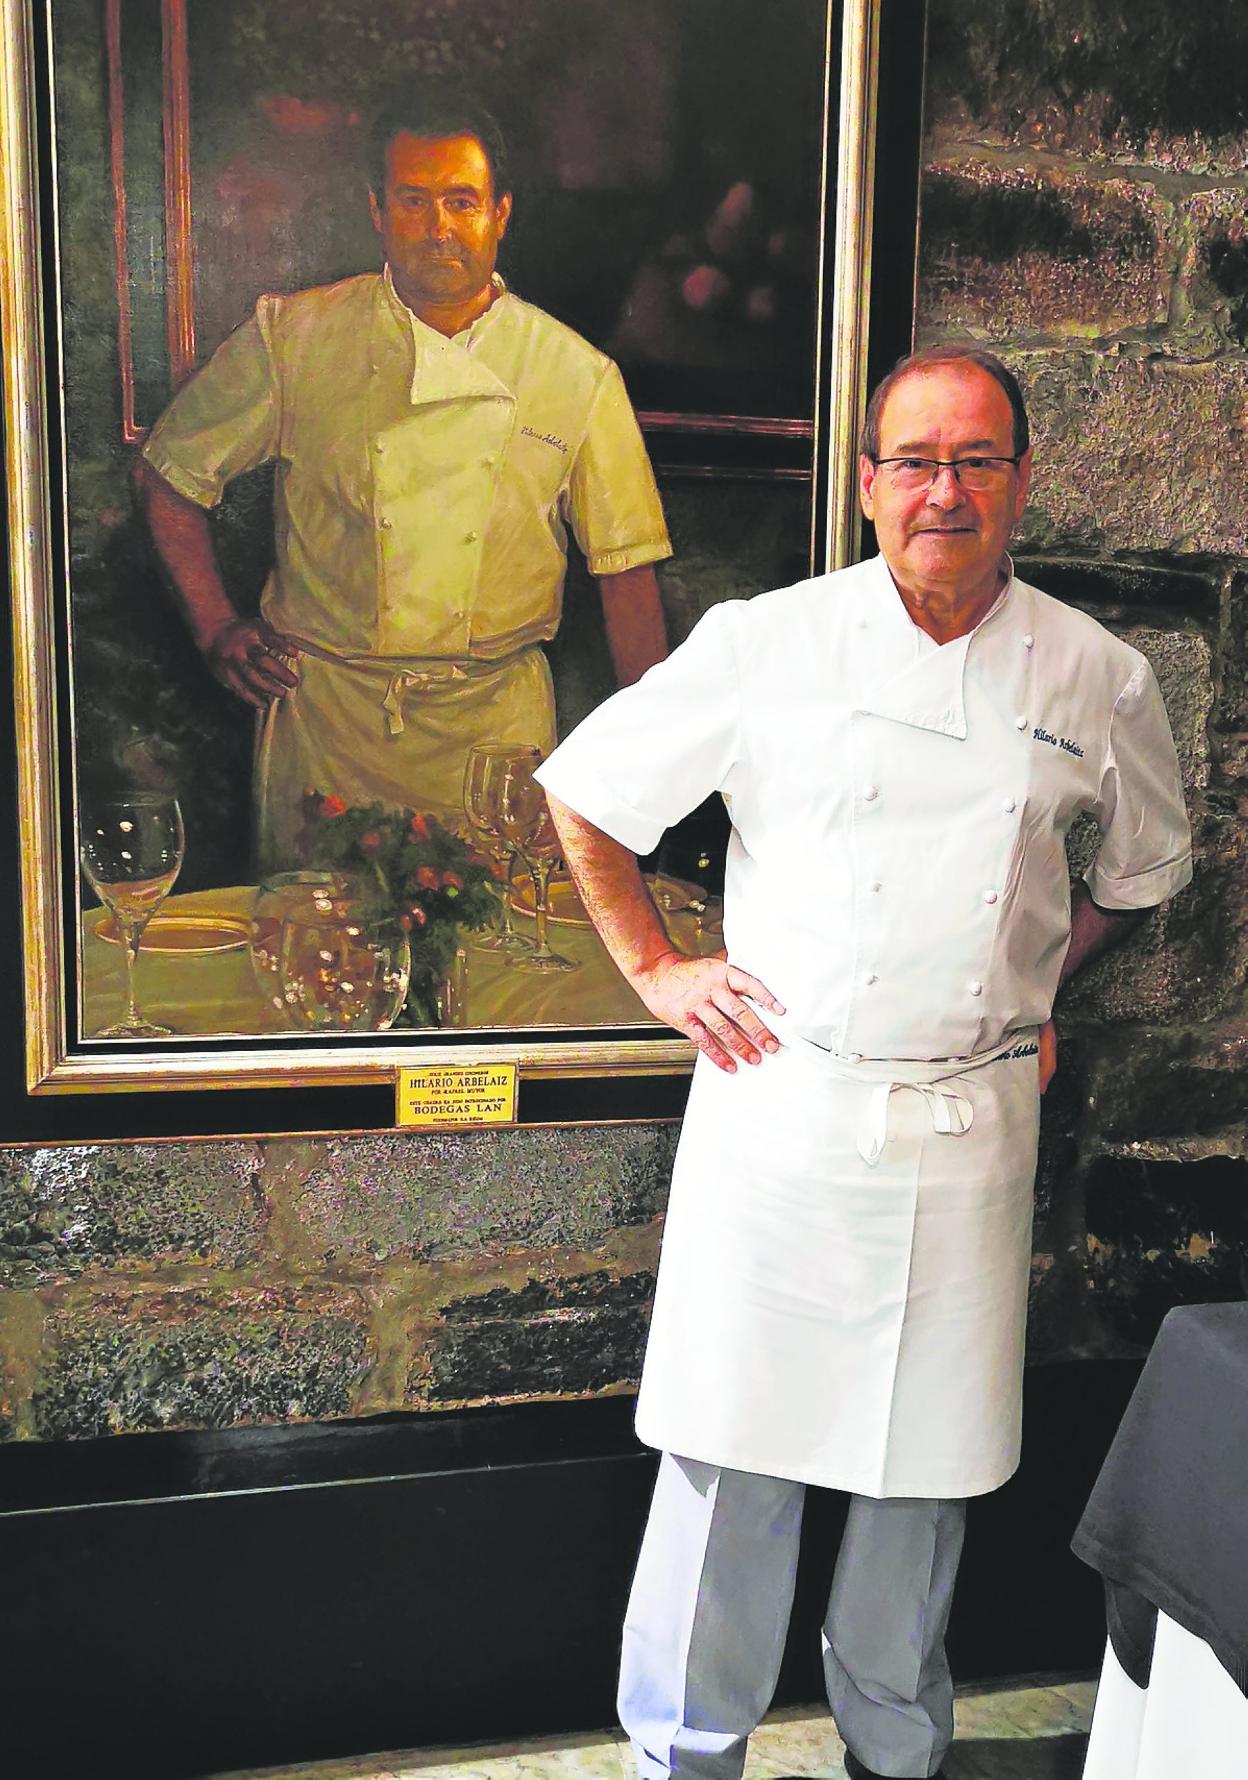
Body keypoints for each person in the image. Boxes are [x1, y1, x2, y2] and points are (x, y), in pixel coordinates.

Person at [535, 345, 1193, 1780]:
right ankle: (685, 1757)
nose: (942, 490)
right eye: (914, 459)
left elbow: (1144, 875)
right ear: (866, 482)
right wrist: (659, 971)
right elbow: (587, 792)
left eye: (975, 460)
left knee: (928, 1479)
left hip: (971, 1123)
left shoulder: (1099, 672)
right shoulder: (769, 640)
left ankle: (896, 1752)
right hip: (785, 1105)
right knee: (729, 1467)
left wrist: (1034, 979)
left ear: (1021, 479)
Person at [137, 84, 671, 871]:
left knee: (503, 976)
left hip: (496, 740)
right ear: (377, 212)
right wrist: (216, 626)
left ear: (500, 213)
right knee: (316, 972)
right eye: (414, 201)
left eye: (461, 201)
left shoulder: (574, 372)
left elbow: (627, 573)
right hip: (328, 727)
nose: (439, 228)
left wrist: (645, 766)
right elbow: (168, 475)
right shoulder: (295, 337)